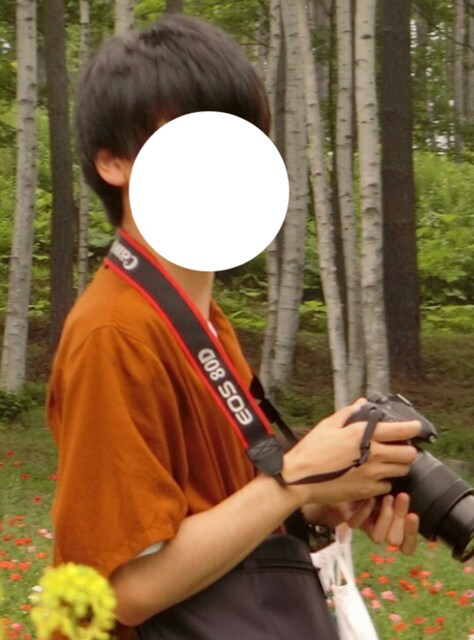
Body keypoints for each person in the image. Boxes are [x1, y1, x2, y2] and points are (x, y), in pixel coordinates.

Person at [47, 14, 421, 639]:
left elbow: (216, 514)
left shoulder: (199, 321)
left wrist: (323, 499)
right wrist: (294, 478)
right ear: (113, 161)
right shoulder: (114, 332)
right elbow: (117, 593)